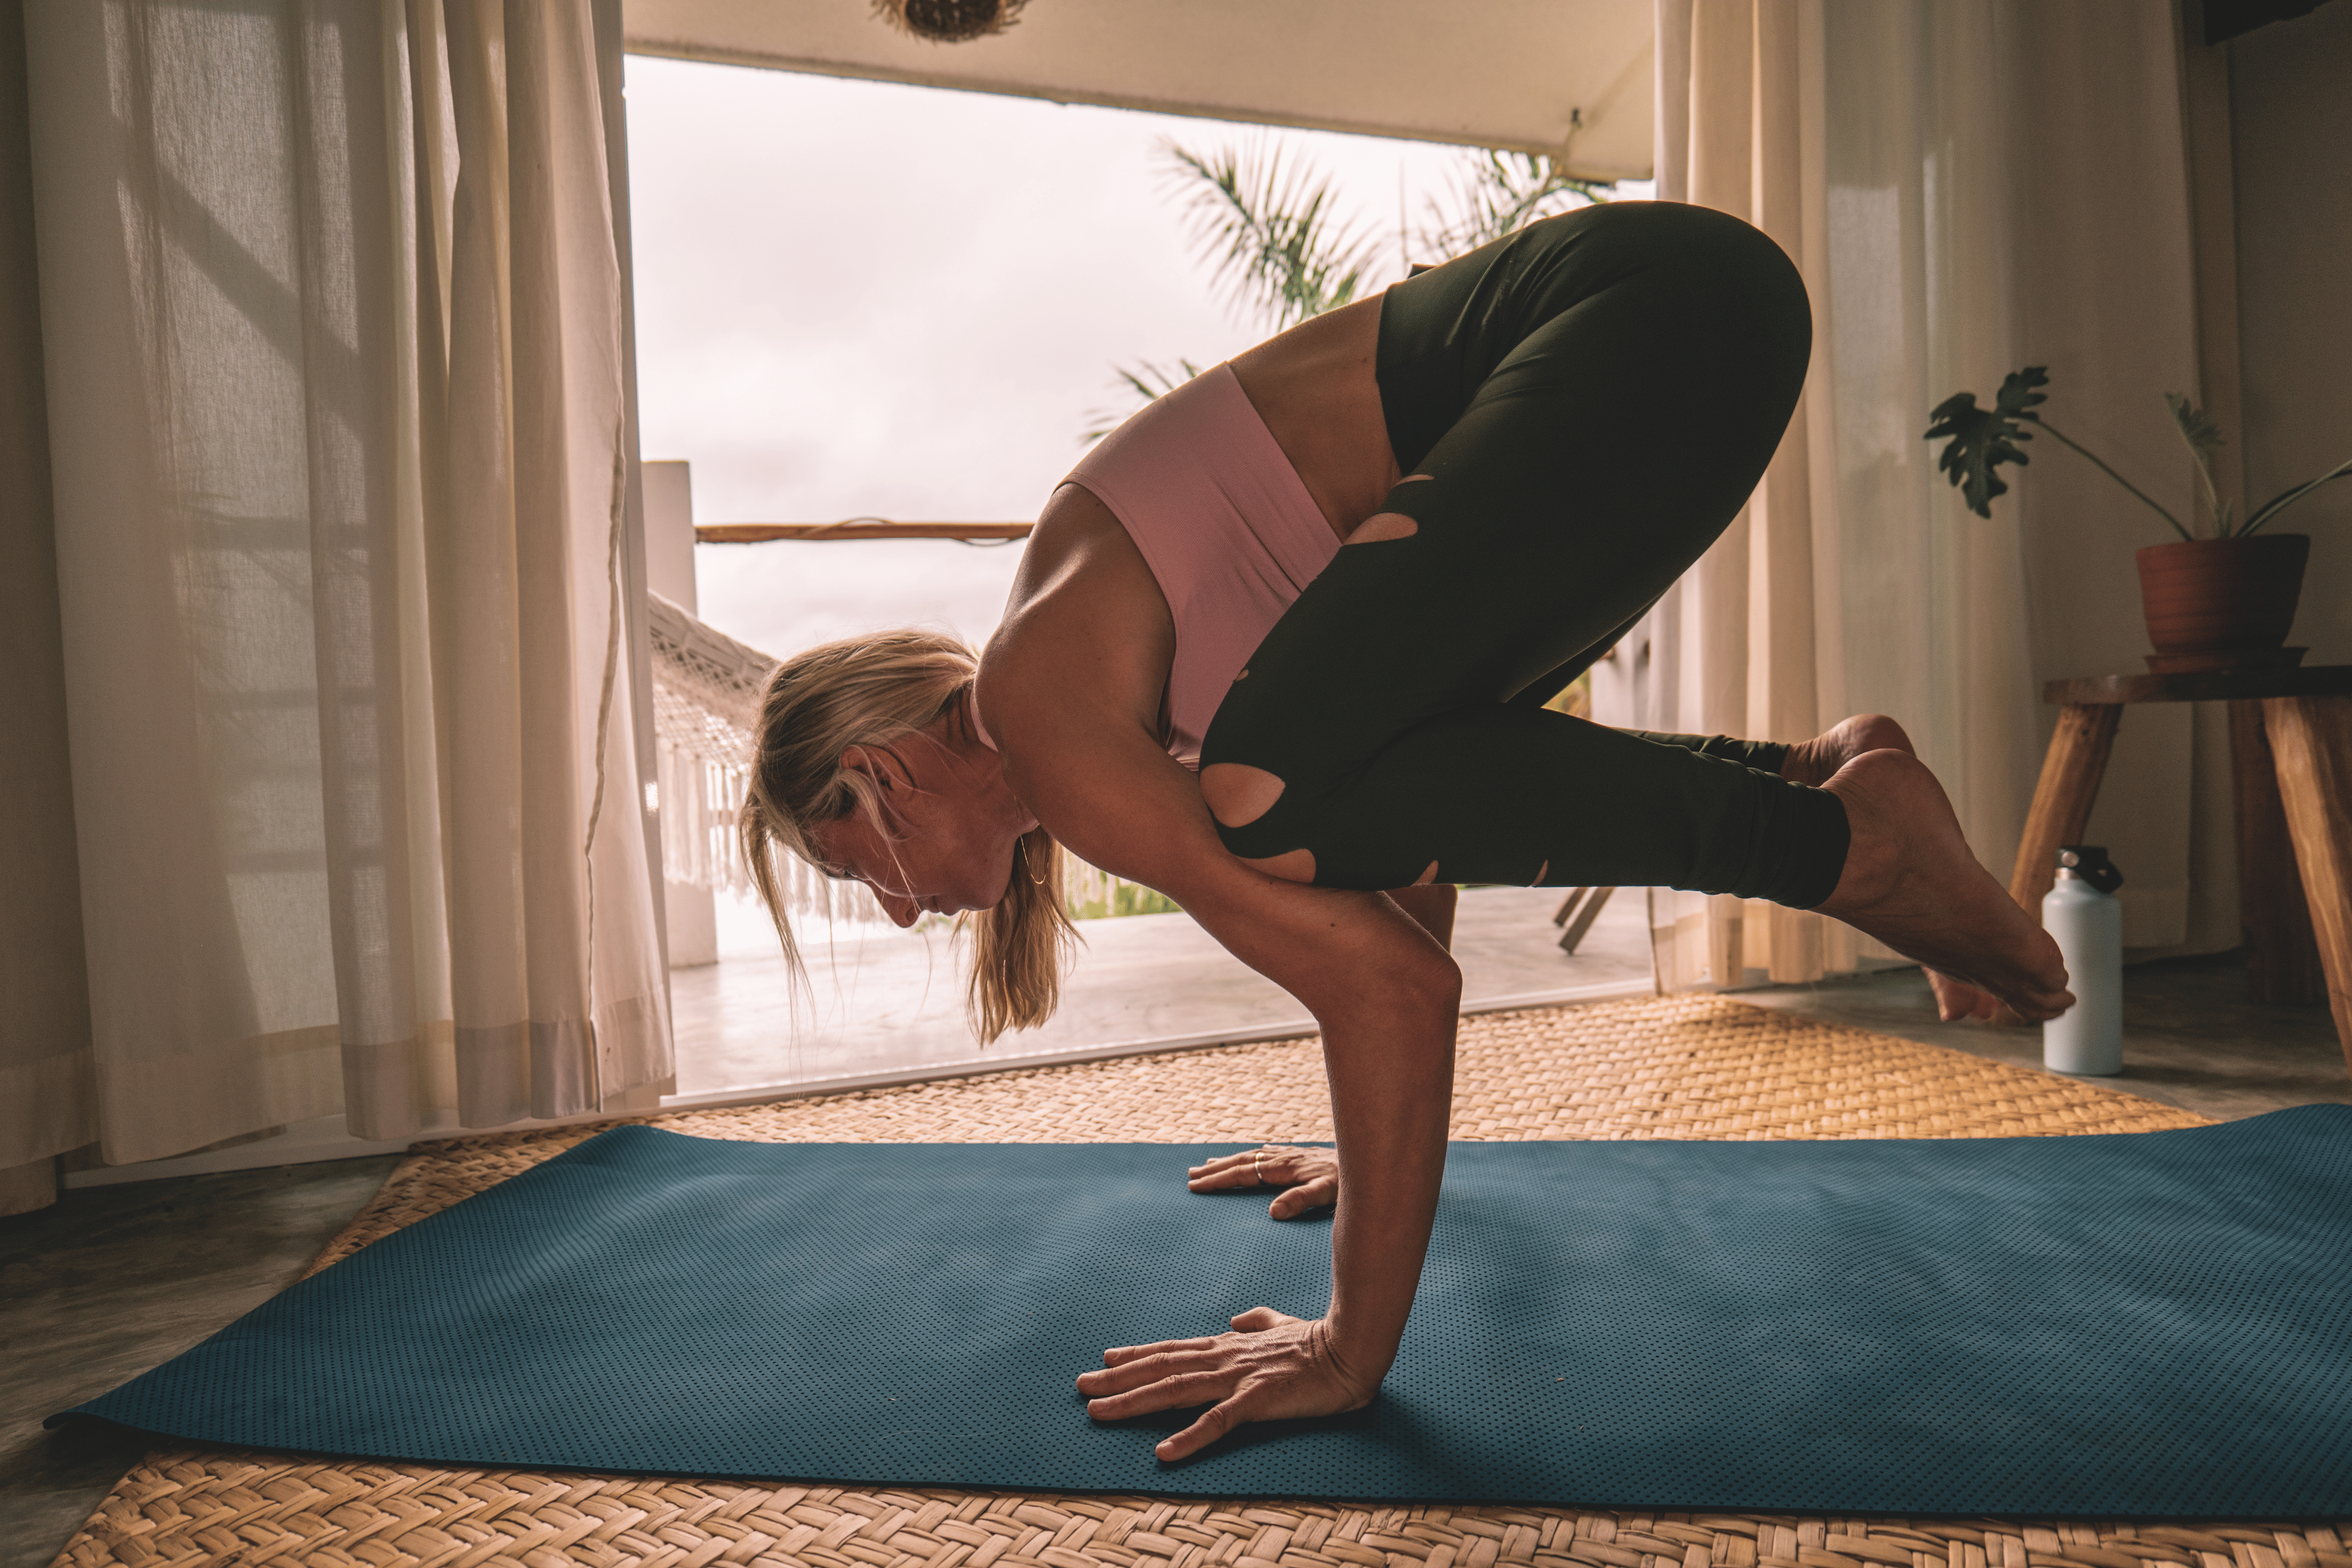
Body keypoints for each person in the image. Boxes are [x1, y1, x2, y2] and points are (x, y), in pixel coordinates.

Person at [739, 201, 2072, 1463]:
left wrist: (1345, 1346)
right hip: (1694, 317)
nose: (901, 910)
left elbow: (1390, 984)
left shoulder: (1045, 707)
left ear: (881, 777)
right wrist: (1368, 1155)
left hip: (1647, 320)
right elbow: (1397, 862)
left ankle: (1849, 851)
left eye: (853, 867)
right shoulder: (1100, 681)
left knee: (1269, 799)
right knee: (1300, 791)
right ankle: (1820, 781)